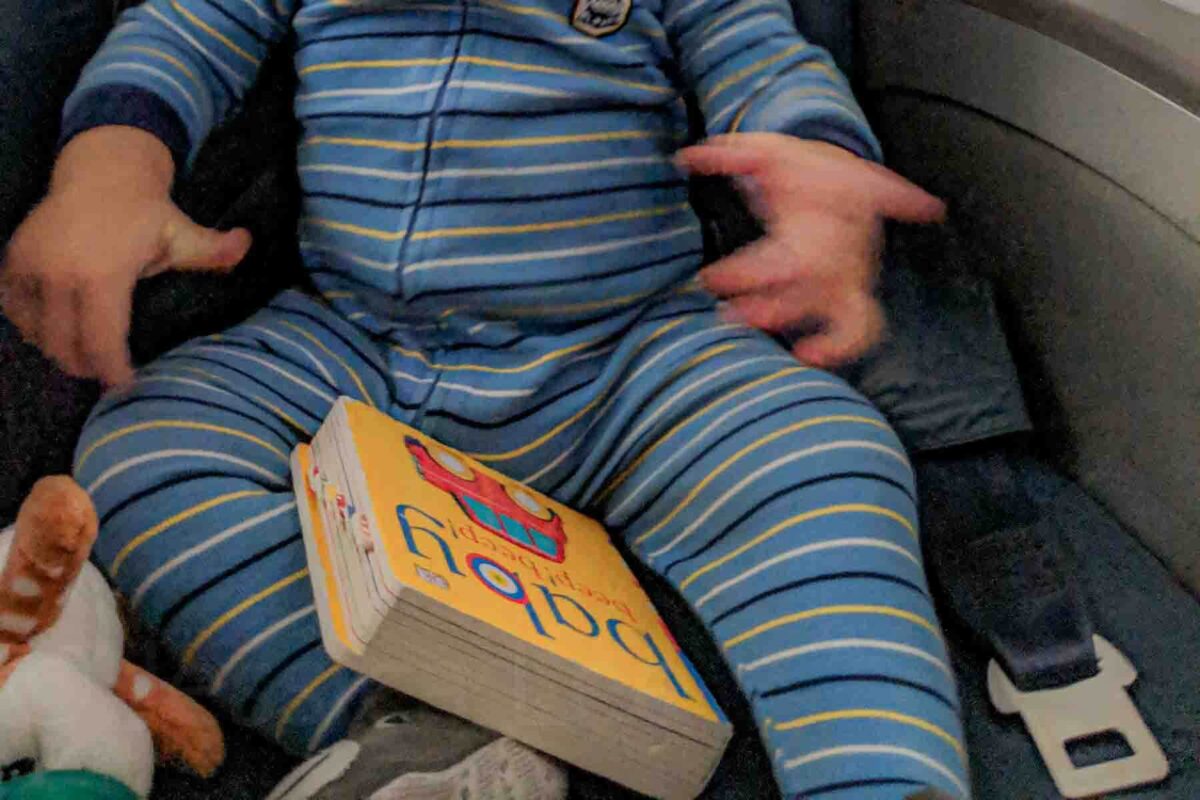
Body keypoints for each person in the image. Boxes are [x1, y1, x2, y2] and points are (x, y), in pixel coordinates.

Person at [0, 0, 968, 797]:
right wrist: (109, 176)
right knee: (144, 444)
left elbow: (763, 55)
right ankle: (419, 734)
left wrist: (815, 174)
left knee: (823, 451)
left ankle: (878, 772)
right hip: (358, 347)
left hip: (630, 354)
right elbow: (182, 30)